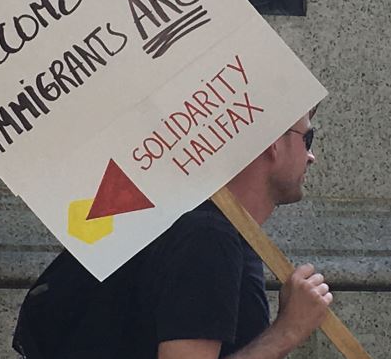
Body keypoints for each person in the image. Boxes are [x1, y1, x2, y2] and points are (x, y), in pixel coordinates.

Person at [129, 110, 333, 358]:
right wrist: (287, 331)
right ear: (274, 142)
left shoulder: (218, 235)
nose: (312, 157)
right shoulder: (208, 238)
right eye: (308, 139)